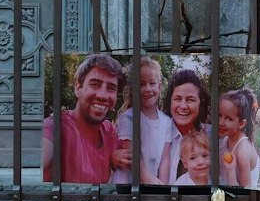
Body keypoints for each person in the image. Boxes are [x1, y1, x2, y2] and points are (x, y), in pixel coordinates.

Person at [41, 53, 130, 184]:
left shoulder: (109, 131)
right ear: (78, 88)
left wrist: (113, 157)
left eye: (111, 88)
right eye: (95, 84)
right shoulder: (56, 127)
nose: (102, 95)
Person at [114, 56, 175, 185]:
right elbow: (133, 157)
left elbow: (165, 160)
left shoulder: (167, 122)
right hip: (129, 187)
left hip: (152, 187)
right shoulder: (128, 118)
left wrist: (163, 188)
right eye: (141, 84)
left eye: (152, 83)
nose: (148, 89)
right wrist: (153, 183)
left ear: (159, 86)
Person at [155, 68, 208, 184]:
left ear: (201, 103)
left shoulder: (209, 136)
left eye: (190, 100)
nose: (183, 106)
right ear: (170, 102)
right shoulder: (156, 133)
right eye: (177, 99)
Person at [217, 87, 260, 190]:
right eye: (220, 116)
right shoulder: (226, 140)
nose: (221, 122)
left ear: (241, 124)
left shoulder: (242, 151)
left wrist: (231, 170)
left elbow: (244, 193)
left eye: (229, 119)